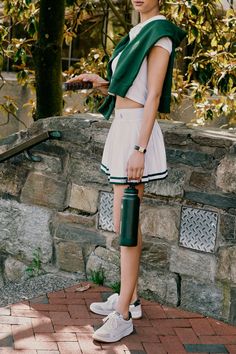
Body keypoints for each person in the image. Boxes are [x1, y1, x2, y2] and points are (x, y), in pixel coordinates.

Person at [67, 0, 186, 343]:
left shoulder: (159, 33)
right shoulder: (136, 31)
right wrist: (102, 83)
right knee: (124, 221)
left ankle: (123, 315)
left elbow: (154, 96)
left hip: (136, 134)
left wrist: (140, 149)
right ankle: (129, 299)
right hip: (122, 128)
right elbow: (132, 88)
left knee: (127, 222)